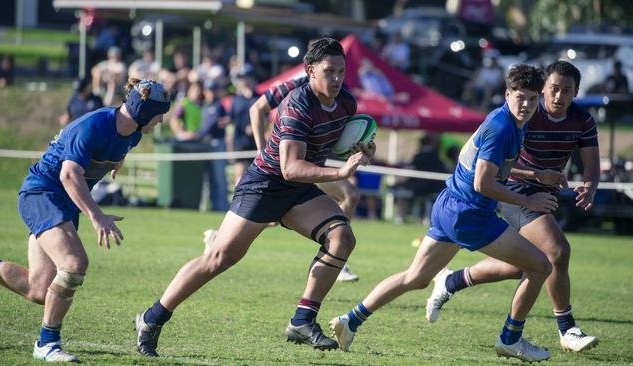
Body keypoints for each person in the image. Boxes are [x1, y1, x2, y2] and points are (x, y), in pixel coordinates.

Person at [134, 37, 374, 357]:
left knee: (341, 238)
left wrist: (364, 148)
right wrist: (340, 173)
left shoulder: (347, 103)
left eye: (341, 71)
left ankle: (302, 320)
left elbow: (340, 142)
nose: (337, 78)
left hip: (298, 188)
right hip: (265, 185)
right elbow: (289, 168)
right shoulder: (296, 104)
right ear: (310, 71)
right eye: (329, 71)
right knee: (220, 259)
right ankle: (152, 318)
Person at [329, 64, 557, 362]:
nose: (526, 104)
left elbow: (489, 166)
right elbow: (483, 183)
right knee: (540, 266)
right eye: (520, 97)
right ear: (507, 94)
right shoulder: (502, 128)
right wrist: (531, 201)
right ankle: (511, 339)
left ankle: (350, 320)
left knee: (415, 278)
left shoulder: (508, 122)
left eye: (531, 98)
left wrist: (536, 175)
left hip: (450, 205)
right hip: (470, 214)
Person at [0, 79, 170, 362]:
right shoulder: (93, 126)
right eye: (159, 112)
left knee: (38, 289)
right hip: (43, 194)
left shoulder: (133, 134)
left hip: (65, 203)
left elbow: (114, 152)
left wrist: (115, 165)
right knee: (73, 265)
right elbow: (68, 175)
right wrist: (97, 217)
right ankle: (47, 343)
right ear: (143, 111)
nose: (161, 119)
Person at [426, 60, 601, 353]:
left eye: (566, 91)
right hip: (516, 192)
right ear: (543, 89)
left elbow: (592, 164)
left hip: (544, 194)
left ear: (576, 93)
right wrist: (536, 176)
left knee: (520, 266)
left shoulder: (582, 119)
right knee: (556, 252)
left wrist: (590, 185)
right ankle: (567, 329)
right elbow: (496, 168)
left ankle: (451, 281)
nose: (558, 97)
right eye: (554, 89)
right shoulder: (526, 113)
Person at [248, 71, 360, 282]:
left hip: (313, 166)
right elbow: (257, 108)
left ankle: (336, 257)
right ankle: (335, 257)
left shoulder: (338, 93)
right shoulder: (294, 85)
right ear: (312, 67)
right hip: (290, 165)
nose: (334, 73)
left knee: (350, 195)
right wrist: (260, 149)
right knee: (270, 214)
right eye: (328, 67)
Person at [198, 78, 230, 212]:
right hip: (206, 144)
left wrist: (195, 134)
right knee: (208, 178)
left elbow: (209, 126)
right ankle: (210, 205)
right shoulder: (205, 106)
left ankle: (221, 206)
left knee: (219, 177)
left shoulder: (218, 106)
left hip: (217, 144)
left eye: (212, 90)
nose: (210, 93)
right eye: (208, 90)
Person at [229, 65, 260, 185]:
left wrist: (255, 127)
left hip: (256, 142)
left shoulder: (260, 98)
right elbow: (231, 120)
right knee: (240, 175)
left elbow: (267, 119)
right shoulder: (236, 100)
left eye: (245, 77)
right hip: (239, 142)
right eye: (241, 78)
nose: (243, 81)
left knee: (256, 175)